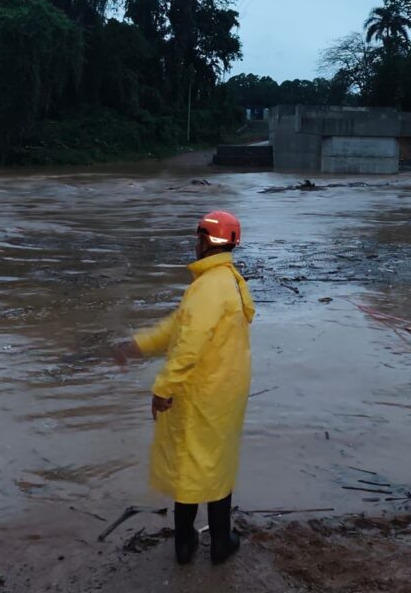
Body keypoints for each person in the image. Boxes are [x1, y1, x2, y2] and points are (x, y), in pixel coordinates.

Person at [112, 210, 255, 565]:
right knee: (213, 464)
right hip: (223, 391)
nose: (194, 244)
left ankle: (189, 544)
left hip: (203, 393)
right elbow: (177, 326)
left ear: (207, 241)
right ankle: (214, 541)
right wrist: (138, 344)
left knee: (192, 466)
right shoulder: (227, 281)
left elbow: (188, 344)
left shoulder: (209, 288)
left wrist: (163, 387)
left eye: (198, 237)